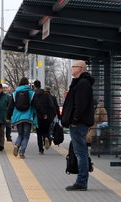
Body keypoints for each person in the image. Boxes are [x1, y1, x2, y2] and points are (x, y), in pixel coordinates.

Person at [61, 60, 94, 191]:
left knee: (81, 153)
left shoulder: (82, 83)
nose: (71, 69)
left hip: (78, 123)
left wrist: (74, 120)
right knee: (81, 152)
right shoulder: (81, 83)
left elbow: (81, 104)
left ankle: (81, 182)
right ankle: (81, 181)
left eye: (73, 67)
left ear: (80, 68)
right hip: (79, 122)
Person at [8, 77, 37, 159]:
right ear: (27, 83)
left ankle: (17, 145)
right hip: (28, 117)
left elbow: (10, 106)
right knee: (26, 136)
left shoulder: (15, 93)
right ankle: (21, 153)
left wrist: (8, 116)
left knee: (20, 134)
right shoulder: (31, 93)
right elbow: (35, 105)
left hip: (17, 117)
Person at [32, 80, 55, 155]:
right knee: (45, 131)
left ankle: (41, 150)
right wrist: (49, 115)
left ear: (34, 86)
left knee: (39, 133)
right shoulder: (46, 94)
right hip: (47, 117)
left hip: (38, 116)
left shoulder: (34, 94)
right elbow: (51, 105)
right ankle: (46, 138)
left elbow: (35, 105)